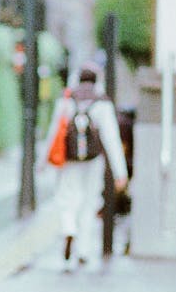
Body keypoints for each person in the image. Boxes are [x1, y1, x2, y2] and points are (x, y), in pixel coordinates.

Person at [41, 65, 128, 271]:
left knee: (66, 198)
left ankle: (69, 228)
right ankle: (83, 251)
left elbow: (54, 131)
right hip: (93, 161)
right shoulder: (102, 103)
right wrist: (120, 173)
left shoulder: (66, 100)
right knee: (89, 203)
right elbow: (111, 138)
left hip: (69, 161)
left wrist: (43, 161)